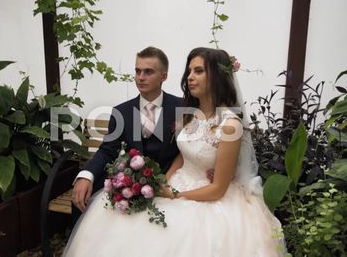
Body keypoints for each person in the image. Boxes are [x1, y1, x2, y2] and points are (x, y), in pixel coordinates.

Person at [63, 47, 286, 256]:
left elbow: (221, 180)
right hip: (166, 183)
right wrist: (164, 182)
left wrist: (180, 191)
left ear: (164, 76)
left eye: (198, 71)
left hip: (202, 197)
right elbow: (182, 153)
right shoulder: (188, 113)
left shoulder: (196, 113)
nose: (190, 77)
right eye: (189, 71)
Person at [71, 46, 183, 221]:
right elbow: (108, 150)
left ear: (164, 76)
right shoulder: (121, 112)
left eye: (148, 72)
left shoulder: (182, 108)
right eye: (137, 71)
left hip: (170, 180)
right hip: (132, 183)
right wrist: (86, 175)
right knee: (84, 193)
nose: (140, 77)